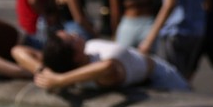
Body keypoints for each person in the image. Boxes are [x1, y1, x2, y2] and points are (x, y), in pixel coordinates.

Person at [12, 30, 190, 92]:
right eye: (72, 39)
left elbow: (17, 50)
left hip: (161, 75)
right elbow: (108, 66)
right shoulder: (100, 74)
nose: (75, 34)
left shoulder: (69, 67)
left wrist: (45, 72)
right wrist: (58, 80)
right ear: (76, 56)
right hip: (163, 80)